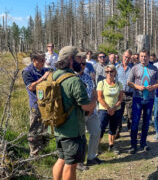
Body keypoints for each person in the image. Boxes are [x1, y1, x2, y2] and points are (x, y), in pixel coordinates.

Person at [52, 46, 96, 180]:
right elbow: (86, 107)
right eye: (78, 58)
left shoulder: (54, 75)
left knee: (61, 158)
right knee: (71, 164)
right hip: (72, 130)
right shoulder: (74, 80)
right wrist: (94, 98)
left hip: (58, 127)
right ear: (70, 59)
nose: (81, 60)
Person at [127, 49, 158, 154]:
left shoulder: (154, 68)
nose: (143, 58)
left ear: (149, 57)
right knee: (135, 122)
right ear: (139, 57)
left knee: (146, 122)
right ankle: (133, 145)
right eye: (141, 56)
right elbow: (129, 82)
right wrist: (137, 86)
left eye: (145, 56)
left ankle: (143, 143)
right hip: (137, 98)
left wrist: (153, 87)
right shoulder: (135, 68)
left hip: (149, 99)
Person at [22, 51, 50, 157]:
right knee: (34, 130)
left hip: (46, 105)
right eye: (41, 60)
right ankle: (33, 154)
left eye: (44, 60)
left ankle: (42, 150)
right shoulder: (27, 71)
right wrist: (43, 78)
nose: (44, 62)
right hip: (35, 105)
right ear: (34, 60)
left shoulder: (45, 69)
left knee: (44, 129)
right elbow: (31, 87)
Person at [77, 53, 101, 167]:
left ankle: (92, 157)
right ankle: (79, 161)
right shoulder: (72, 77)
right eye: (80, 63)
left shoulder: (87, 76)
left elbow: (93, 92)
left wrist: (92, 106)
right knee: (81, 137)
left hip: (92, 111)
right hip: (79, 113)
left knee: (96, 132)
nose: (82, 65)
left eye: (84, 64)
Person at [97, 65, 124, 154]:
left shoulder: (119, 84)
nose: (109, 73)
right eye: (107, 72)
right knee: (101, 128)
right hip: (104, 109)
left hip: (116, 109)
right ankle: (96, 146)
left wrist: (114, 108)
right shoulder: (102, 83)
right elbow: (100, 98)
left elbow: (120, 98)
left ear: (115, 72)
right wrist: (108, 108)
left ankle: (111, 145)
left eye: (111, 71)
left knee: (113, 127)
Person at [116, 50, 134, 134]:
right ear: (123, 56)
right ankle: (117, 131)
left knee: (131, 115)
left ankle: (131, 130)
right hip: (120, 94)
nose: (127, 59)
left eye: (129, 57)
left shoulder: (133, 68)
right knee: (119, 114)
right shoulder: (117, 67)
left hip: (130, 94)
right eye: (126, 57)